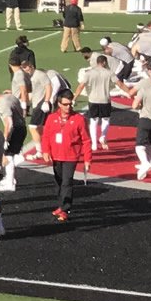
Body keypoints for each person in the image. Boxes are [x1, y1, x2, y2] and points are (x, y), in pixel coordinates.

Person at [37, 90, 90, 223]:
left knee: (67, 182)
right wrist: (45, 151)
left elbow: (86, 140)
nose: (69, 107)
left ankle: (66, 209)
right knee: (59, 182)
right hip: (56, 155)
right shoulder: (52, 118)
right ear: (59, 104)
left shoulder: (79, 119)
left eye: (70, 104)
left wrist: (87, 159)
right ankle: (61, 205)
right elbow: (46, 136)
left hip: (71, 156)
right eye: (65, 104)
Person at [78, 49, 120, 153]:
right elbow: (120, 84)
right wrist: (130, 93)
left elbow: (81, 86)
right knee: (105, 120)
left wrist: (74, 97)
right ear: (104, 62)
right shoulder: (109, 73)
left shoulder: (89, 73)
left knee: (93, 121)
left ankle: (94, 144)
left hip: (93, 99)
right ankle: (103, 136)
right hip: (105, 99)